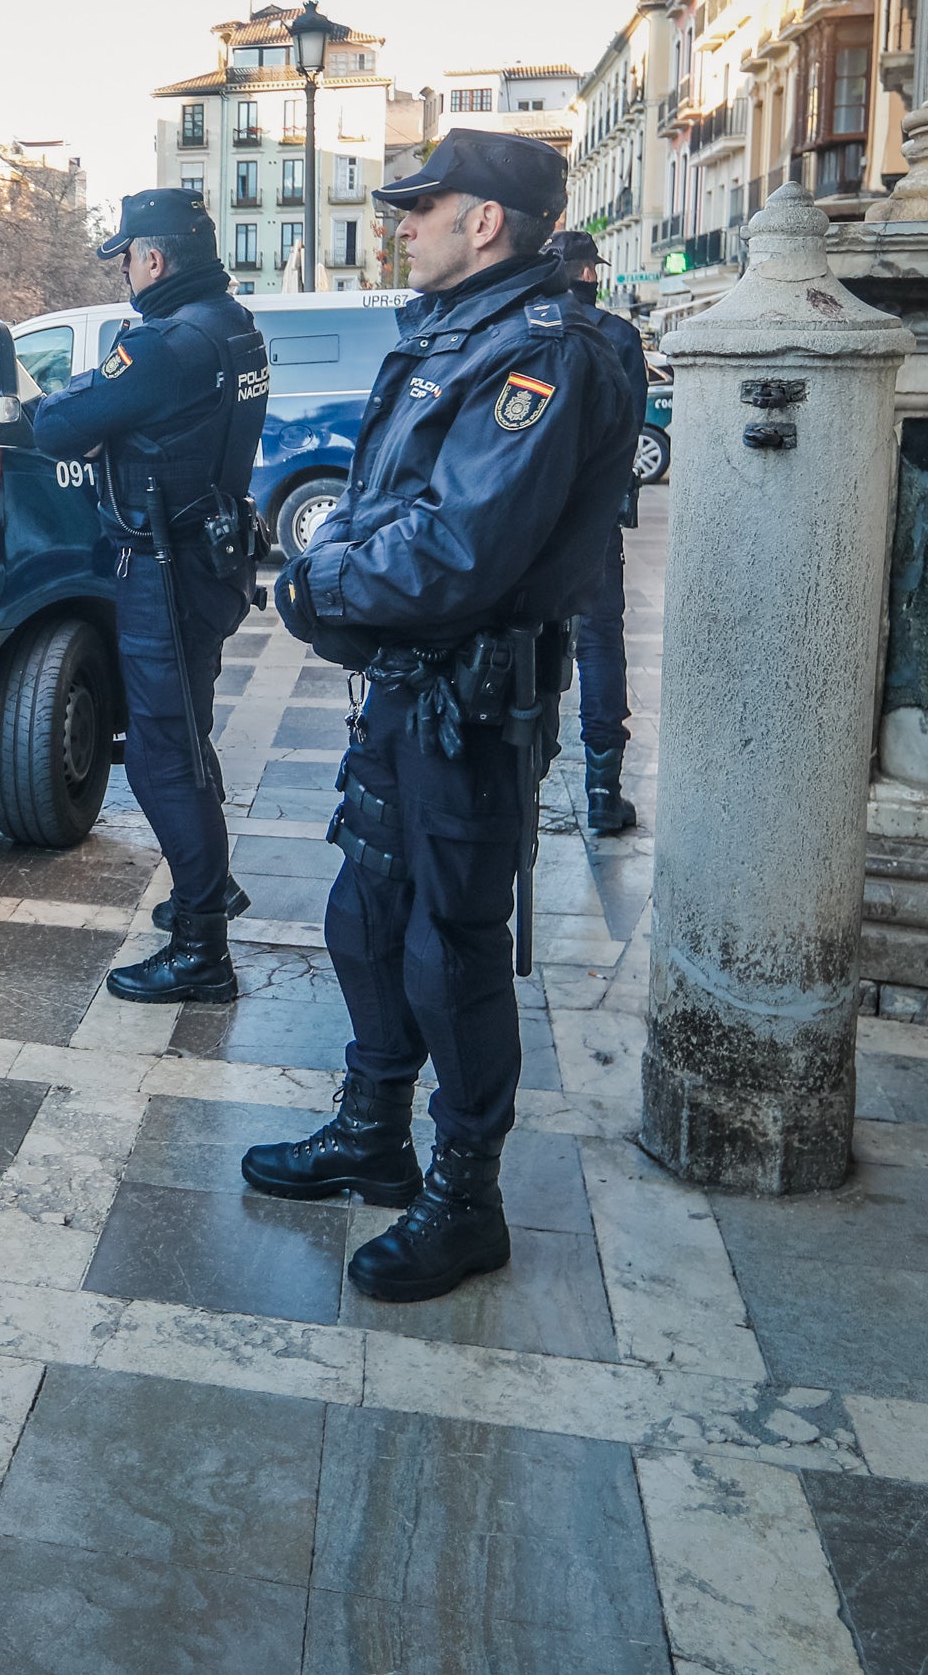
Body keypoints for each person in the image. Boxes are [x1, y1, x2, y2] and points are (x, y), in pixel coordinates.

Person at [242, 132, 636, 1301]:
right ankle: (372, 1129)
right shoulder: (456, 335)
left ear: (485, 222)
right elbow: (383, 503)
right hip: (407, 690)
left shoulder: (543, 355)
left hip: (469, 701)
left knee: (447, 947)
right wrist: (339, 566)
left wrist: (317, 583)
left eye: (420, 207)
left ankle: (465, 1198)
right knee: (366, 910)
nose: (399, 224)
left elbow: (455, 547)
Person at [26, 185, 271, 1005]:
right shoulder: (234, 328)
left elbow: (59, 425)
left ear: (154, 259)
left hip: (164, 572)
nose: (126, 270)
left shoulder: (166, 344)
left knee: (163, 757)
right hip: (210, 563)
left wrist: (65, 391)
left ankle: (202, 945)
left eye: (128, 255)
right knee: (187, 735)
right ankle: (212, 885)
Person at [550, 230, 653, 835]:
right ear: (593, 272)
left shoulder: (528, 326)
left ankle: (516, 779)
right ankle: (600, 788)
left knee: (523, 636)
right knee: (598, 645)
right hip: (593, 524)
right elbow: (630, 429)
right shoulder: (619, 336)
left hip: (529, 518)